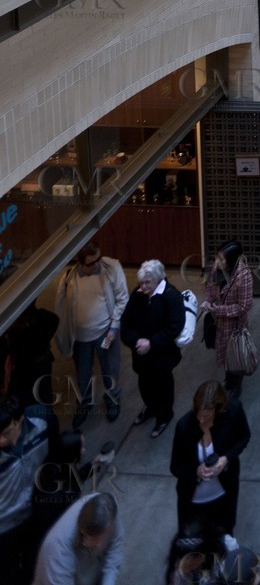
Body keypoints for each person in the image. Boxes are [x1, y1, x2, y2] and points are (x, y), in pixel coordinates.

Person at [55, 243, 127, 428]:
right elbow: (60, 308)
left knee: (110, 370)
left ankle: (112, 400)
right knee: (83, 375)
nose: (97, 264)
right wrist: (64, 336)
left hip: (106, 332)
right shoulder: (68, 278)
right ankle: (85, 404)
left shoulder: (111, 268)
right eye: (91, 263)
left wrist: (114, 327)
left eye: (98, 259)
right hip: (80, 337)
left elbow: (122, 298)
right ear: (80, 263)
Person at [170, 381, 251, 534]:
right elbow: (175, 466)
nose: (201, 420)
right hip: (193, 501)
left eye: (206, 415)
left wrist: (226, 459)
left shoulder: (233, 411)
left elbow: (244, 437)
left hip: (224, 495)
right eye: (198, 414)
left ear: (218, 409)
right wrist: (196, 472)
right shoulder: (184, 426)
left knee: (224, 535)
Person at [120, 259, 184, 438]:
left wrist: (151, 343)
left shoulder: (171, 296)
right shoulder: (138, 294)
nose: (143, 287)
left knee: (163, 387)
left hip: (162, 356)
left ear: (159, 279)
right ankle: (150, 408)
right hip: (141, 355)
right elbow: (126, 321)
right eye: (141, 282)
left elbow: (175, 326)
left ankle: (164, 416)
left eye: (147, 282)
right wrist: (136, 341)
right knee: (145, 385)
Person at [0, 394, 59, 583]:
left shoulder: (43, 421)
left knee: (35, 563)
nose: (0, 441)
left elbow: (55, 457)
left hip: (34, 513)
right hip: (4, 527)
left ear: (20, 420)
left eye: (7, 433)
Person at [31, 493, 122, 585]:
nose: (100, 544)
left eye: (104, 537)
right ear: (83, 534)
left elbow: (115, 546)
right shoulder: (57, 552)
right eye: (95, 540)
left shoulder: (108, 512)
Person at [200, 242, 253, 399]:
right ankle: (229, 380)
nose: (217, 261)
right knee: (224, 352)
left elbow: (243, 306)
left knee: (234, 356)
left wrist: (218, 310)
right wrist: (209, 301)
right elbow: (211, 287)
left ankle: (235, 386)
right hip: (218, 322)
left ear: (232, 260)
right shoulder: (217, 267)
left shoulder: (243, 276)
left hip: (233, 325)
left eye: (221, 259)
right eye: (217, 257)